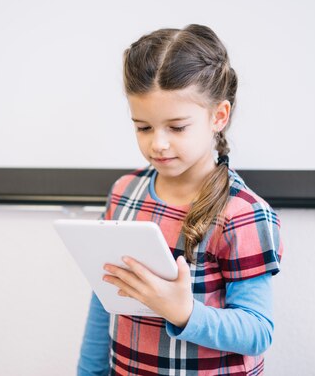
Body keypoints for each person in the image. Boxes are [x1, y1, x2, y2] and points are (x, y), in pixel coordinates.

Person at [77, 24, 284, 376]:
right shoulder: (124, 193)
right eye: (143, 127)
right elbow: (103, 301)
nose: (157, 143)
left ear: (218, 116)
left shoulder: (243, 214)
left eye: (176, 127)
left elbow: (258, 331)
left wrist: (183, 311)